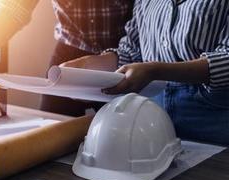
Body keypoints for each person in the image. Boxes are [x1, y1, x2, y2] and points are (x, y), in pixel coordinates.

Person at [60, 0, 229, 145]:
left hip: (211, 118)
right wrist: (90, 66)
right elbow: (133, 50)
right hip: (152, 118)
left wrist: (155, 71)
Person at [0, 0, 134, 116]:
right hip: (70, 52)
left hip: (125, 55)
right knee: (50, 127)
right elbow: (14, 9)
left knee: (124, 132)